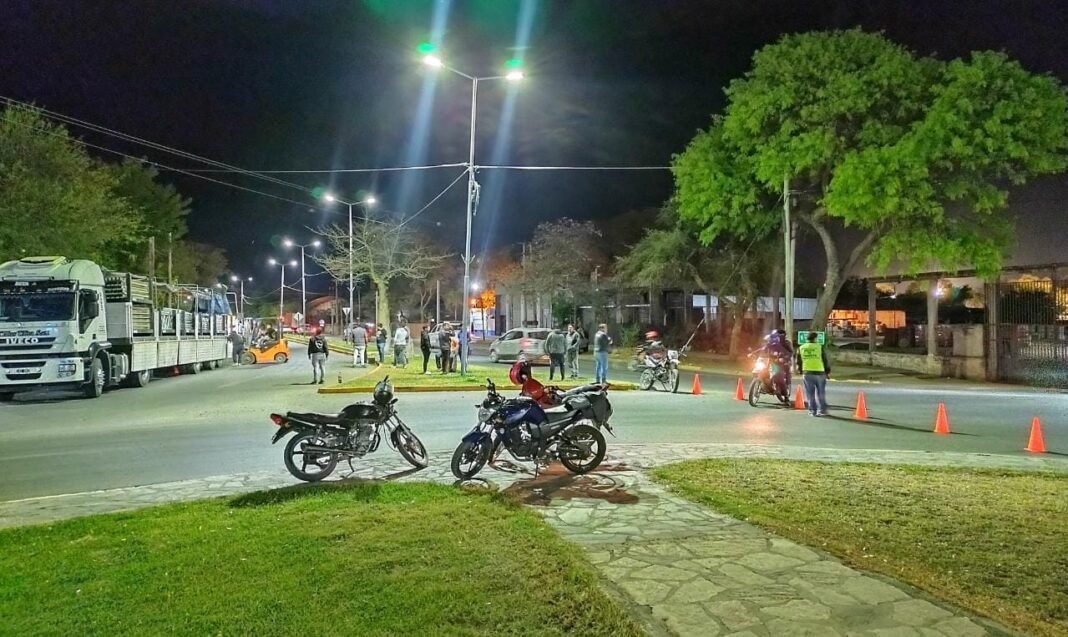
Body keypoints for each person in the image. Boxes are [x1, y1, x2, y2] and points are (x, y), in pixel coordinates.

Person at [796, 331, 831, 416]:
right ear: (815, 338)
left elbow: (798, 361)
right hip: (820, 372)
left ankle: (812, 411)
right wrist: (827, 371)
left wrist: (800, 371)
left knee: (810, 393)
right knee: (821, 393)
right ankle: (822, 410)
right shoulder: (819, 347)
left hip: (807, 373)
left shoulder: (801, 348)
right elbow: (824, 360)